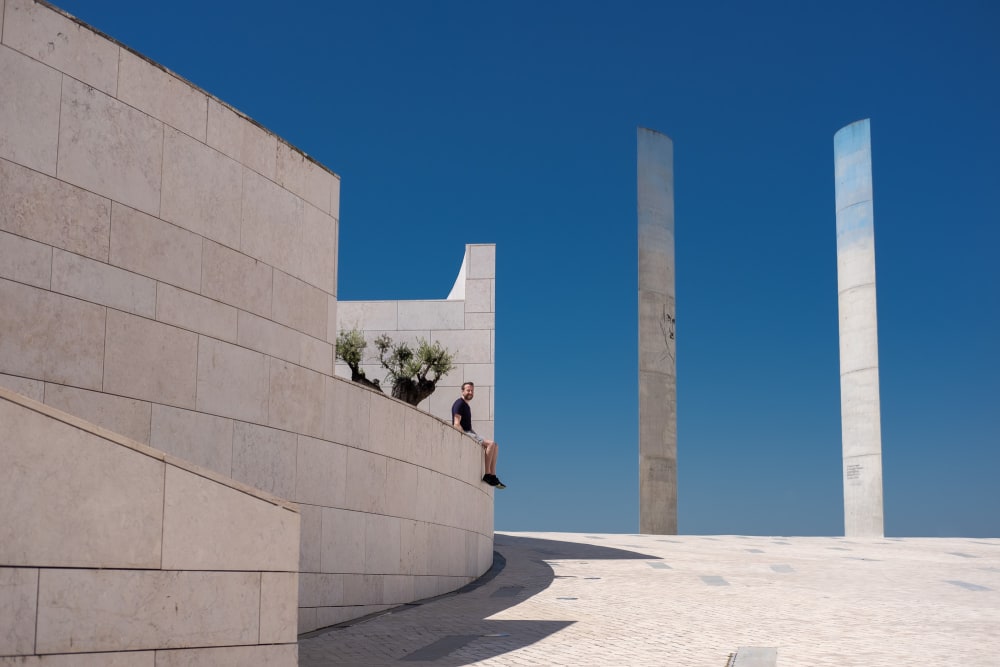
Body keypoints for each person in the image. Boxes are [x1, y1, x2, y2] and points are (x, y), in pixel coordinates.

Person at [451, 382, 505, 488]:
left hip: (470, 431)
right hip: (466, 433)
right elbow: (456, 423)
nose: (470, 392)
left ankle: (493, 475)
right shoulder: (459, 403)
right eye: (468, 390)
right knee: (491, 444)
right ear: (462, 391)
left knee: (496, 446)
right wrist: (464, 436)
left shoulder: (466, 405)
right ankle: (487, 474)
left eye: (472, 390)